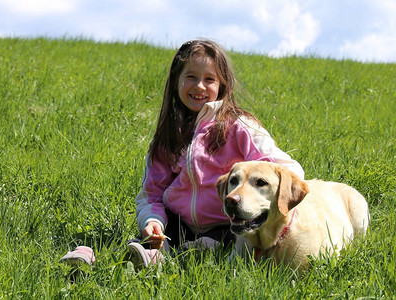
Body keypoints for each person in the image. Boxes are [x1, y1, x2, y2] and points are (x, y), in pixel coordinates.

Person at [60, 39, 304, 269]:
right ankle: (92, 258)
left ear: (222, 86)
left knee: (210, 248)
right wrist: (152, 221)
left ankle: (159, 261)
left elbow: (287, 169)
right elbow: (151, 194)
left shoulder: (239, 127)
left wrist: (266, 202)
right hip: (177, 223)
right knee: (144, 242)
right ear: (176, 82)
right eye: (191, 77)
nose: (199, 86)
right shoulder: (168, 136)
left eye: (209, 79)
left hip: (227, 224)